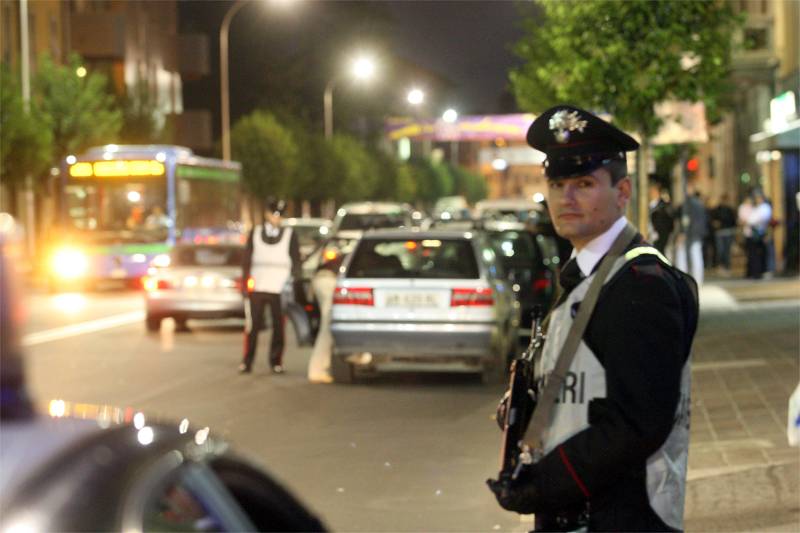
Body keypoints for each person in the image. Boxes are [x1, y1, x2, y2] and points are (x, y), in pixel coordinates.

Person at [487, 105, 699, 531]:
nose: (566, 198)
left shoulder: (639, 284)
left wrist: (542, 484)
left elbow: (635, 423)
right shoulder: (583, 276)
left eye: (584, 183)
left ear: (622, 192)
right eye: (558, 183)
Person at [239, 198, 301, 375]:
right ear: (267, 215)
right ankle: (247, 361)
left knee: (279, 327)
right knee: (253, 326)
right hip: (258, 286)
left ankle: (275, 361)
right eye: (274, 214)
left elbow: (296, 261)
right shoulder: (256, 233)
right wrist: (245, 283)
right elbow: (247, 259)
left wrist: (296, 284)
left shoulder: (290, 235)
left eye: (280, 215)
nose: (277, 218)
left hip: (280, 288)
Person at [675, 189, 708, 285]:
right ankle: (698, 279)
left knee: (683, 254)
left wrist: (683, 233)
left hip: (690, 233)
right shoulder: (699, 203)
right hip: (698, 233)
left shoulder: (688, 203)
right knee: (697, 255)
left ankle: (683, 279)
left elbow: (685, 219)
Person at [710, 194, 737, 274]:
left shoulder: (730, 210)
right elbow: (712, 220)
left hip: (728, 232)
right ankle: (720, 265)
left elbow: (733, 221)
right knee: (720, 250)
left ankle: (727, 266)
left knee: (727, 250)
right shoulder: (717, 210)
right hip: (720, 232)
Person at [648, 181, 674, 254]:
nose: (650, 193)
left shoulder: (663, 207)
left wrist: (657, 233)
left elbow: (668, 224)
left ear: (656, 192)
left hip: (659, 238)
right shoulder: (649, 205)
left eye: (652, 191)